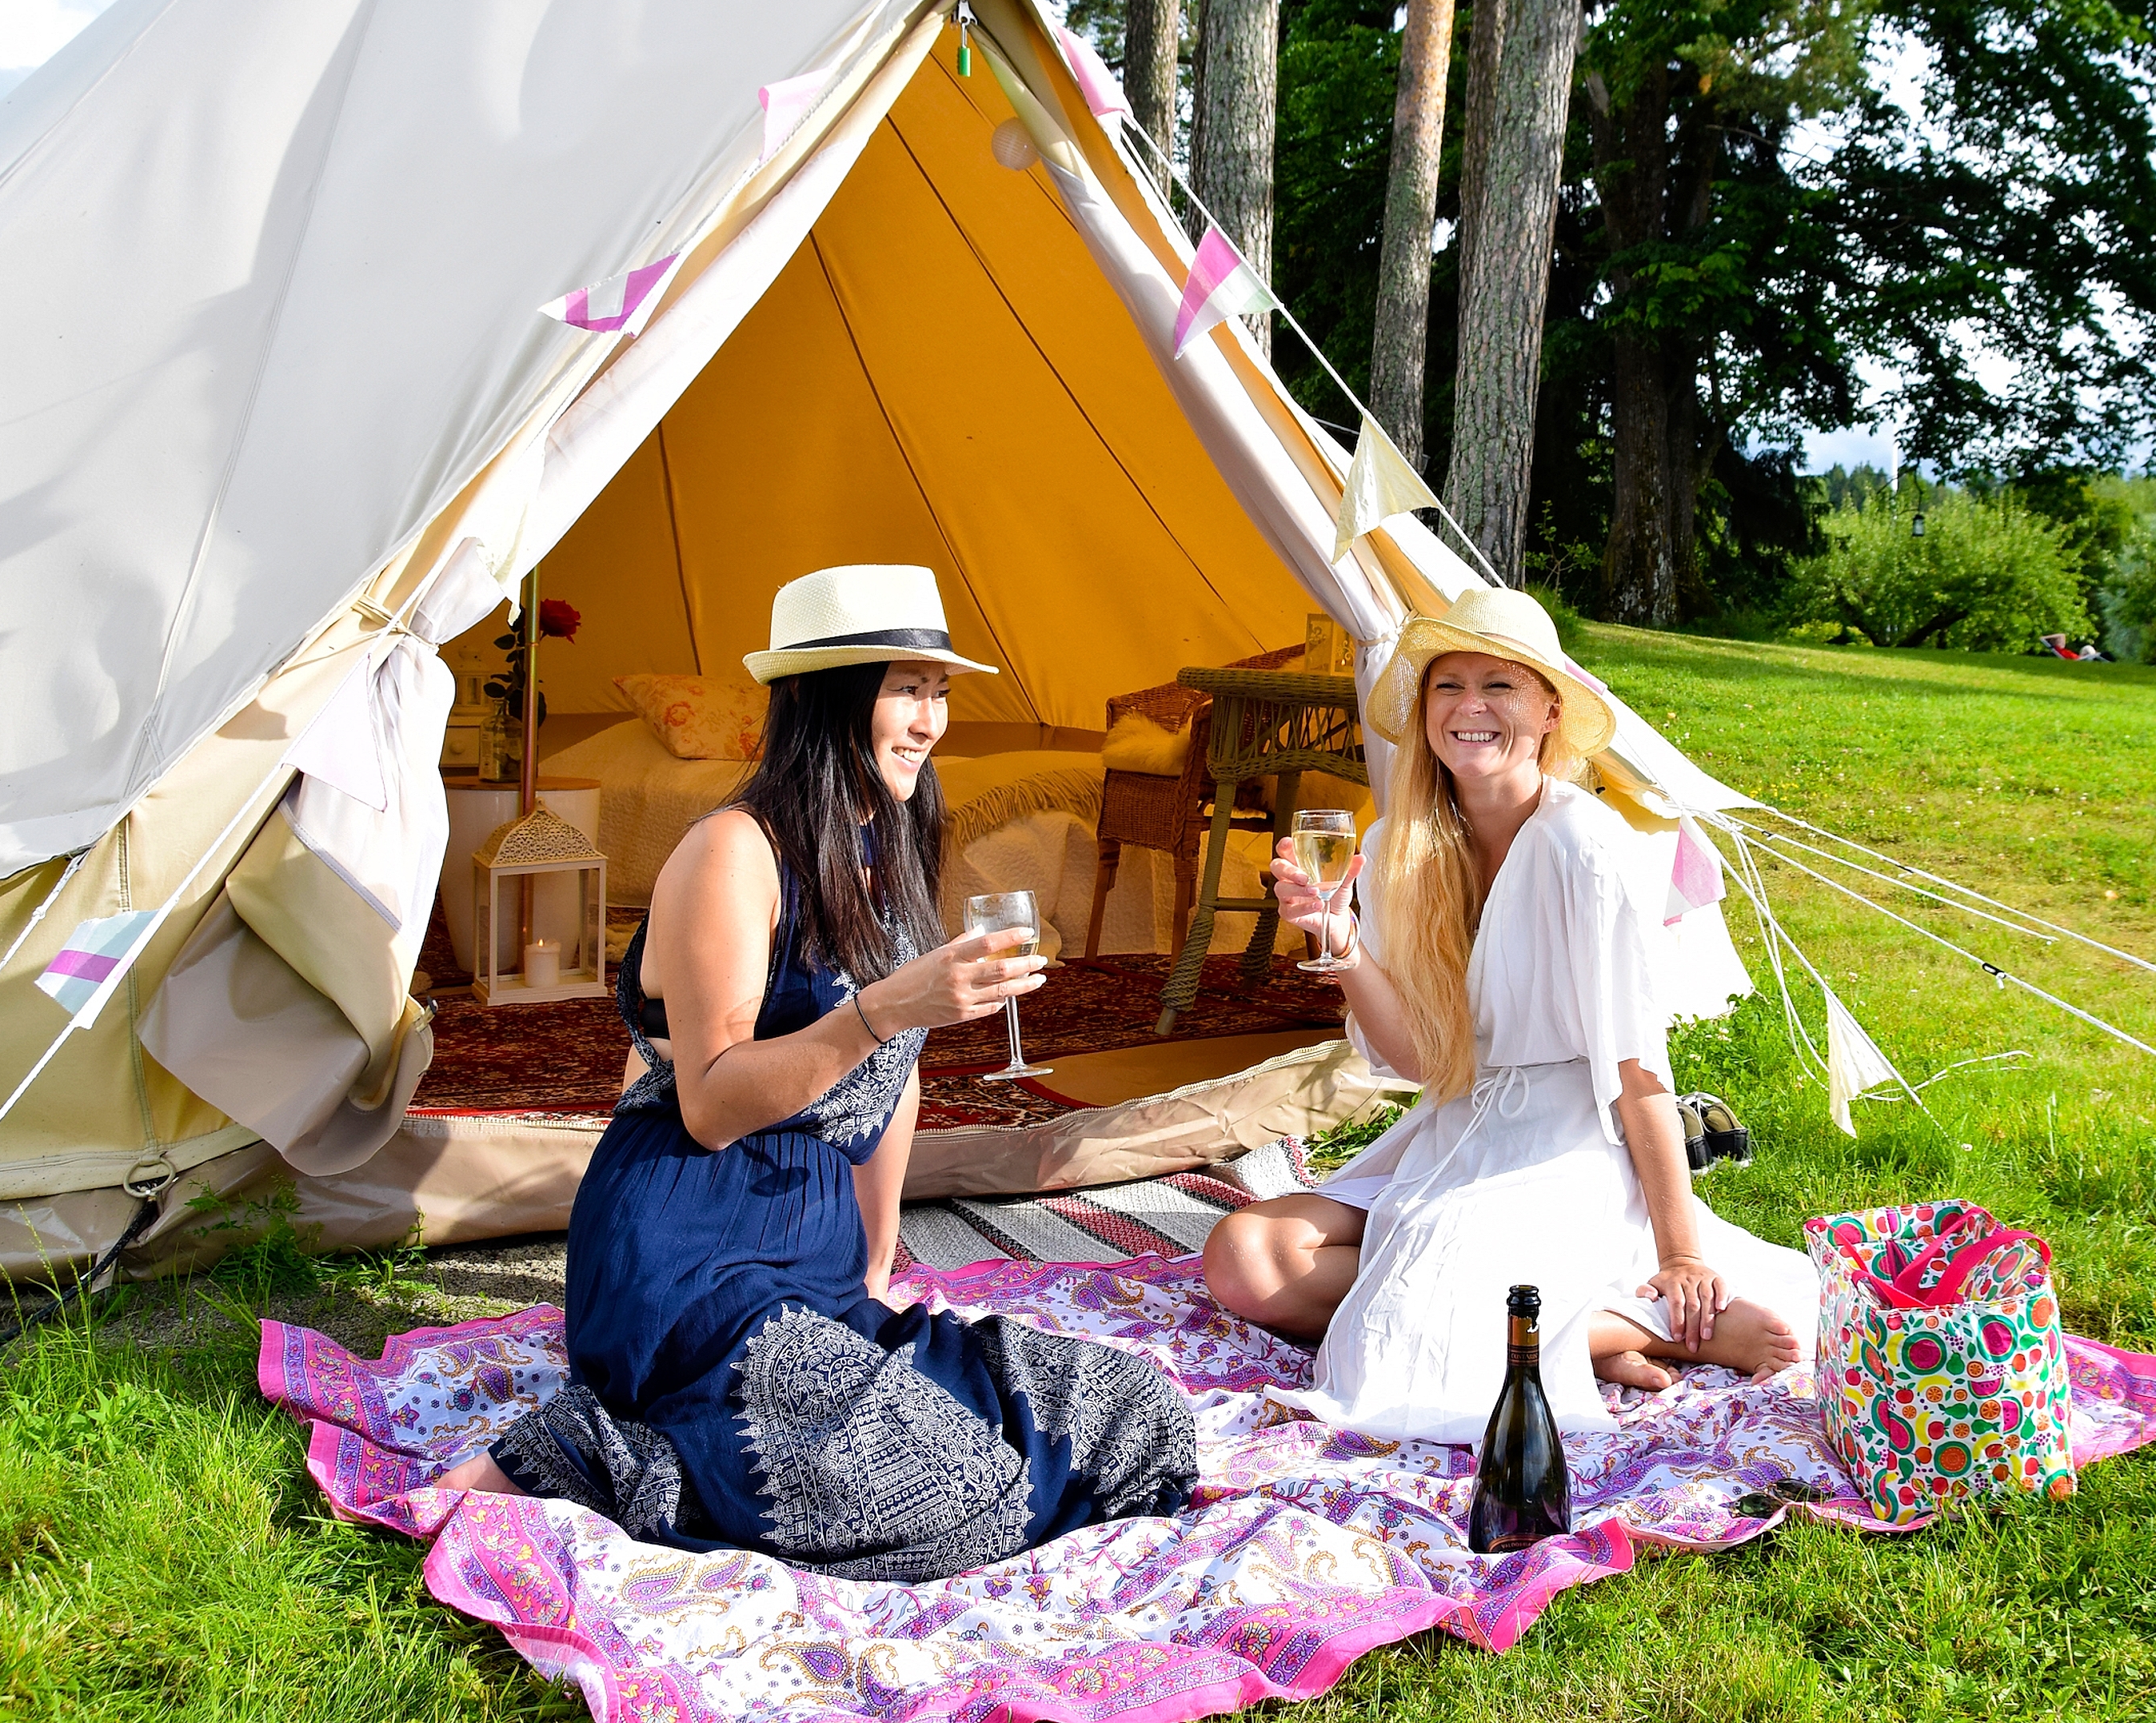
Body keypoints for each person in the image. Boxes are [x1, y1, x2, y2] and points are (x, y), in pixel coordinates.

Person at [436, 564, 1196, 1580]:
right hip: (687, 1251)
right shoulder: (731, 851)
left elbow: (898, 1079)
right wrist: (885, 1006)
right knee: (944, 1491)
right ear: (827, 697)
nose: (930, 720)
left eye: (940, 690)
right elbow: (709, 1104)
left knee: (1136, 1418)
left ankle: (820, 1391)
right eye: (905, 687)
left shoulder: (887, 851)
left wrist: (877, 1265)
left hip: (814, 1265)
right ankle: (590, 1450)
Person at [1199, 587, 1816, 1444]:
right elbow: (1420, 1060)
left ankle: (1661, 1324)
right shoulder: (1396, 845)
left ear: (1548, 710)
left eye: (1501, 686)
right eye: (1448, 686)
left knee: (1406, 1329)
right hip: (1455, 1124)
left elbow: (1640, 1077)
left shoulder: (1587, 852)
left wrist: (1680, 1254)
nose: (1471, 708)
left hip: (1566, 1137)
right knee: (1246, 1258)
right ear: (1423, 711)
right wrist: (1337, 936)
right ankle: (1575, 1329)